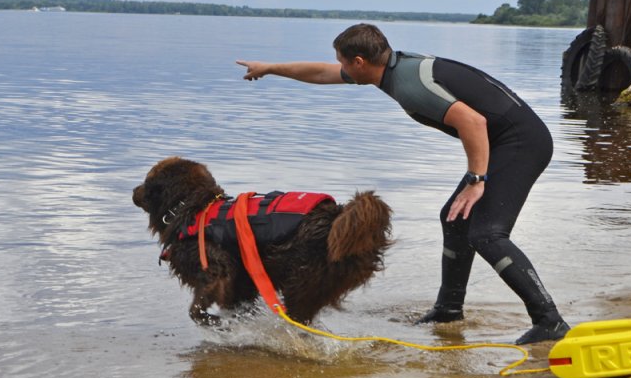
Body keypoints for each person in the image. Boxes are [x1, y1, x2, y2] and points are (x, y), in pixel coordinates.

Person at [236, 23, 569, 344]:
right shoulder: (391, 69)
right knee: (455, 218)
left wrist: (476, 180)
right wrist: (270, 68)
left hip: (522, 143)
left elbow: (474, 122)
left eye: (343, 62)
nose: (339, 68)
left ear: (360, 62)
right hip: (508, 141)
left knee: (486, 234)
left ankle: (548, 320)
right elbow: (322, 73)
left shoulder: (410, 86)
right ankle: (448, 310)